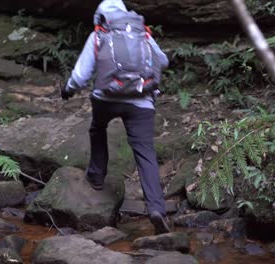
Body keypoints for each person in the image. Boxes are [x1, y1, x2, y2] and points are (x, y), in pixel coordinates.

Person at [60, 0, 171, 234]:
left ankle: (97, 175)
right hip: (141, 101)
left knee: (97, 128)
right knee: (145, 151)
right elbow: (162, 61)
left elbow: (81, 76)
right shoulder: (142, 33)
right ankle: (156, 209)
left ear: (100, 16)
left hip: (106, 99)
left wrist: (67, 89)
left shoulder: (99, 34)